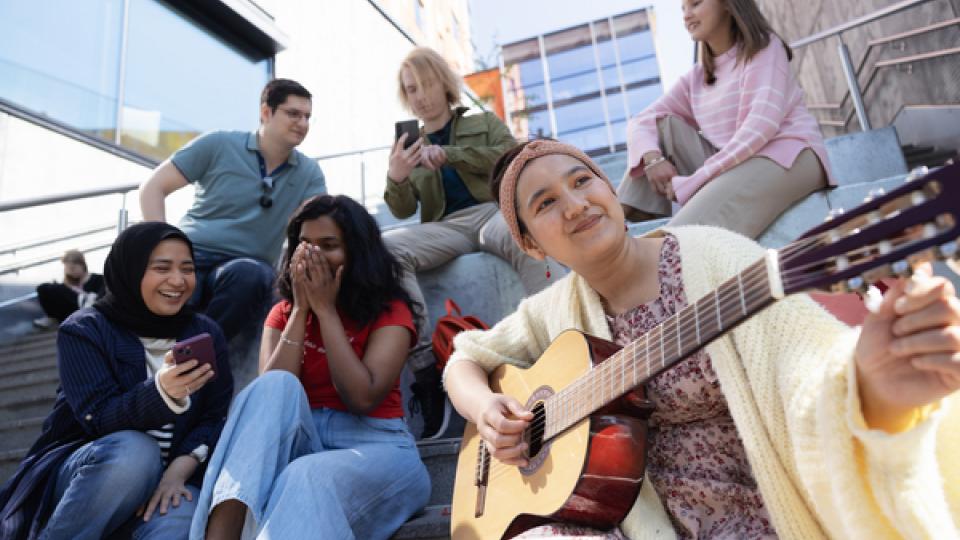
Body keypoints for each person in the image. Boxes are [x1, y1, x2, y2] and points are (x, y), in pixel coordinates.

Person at [443, 139, 960, 538]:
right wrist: (487, 409)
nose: (576, 204)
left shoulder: (713, 256)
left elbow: (809, 363)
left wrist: (867, 380)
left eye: (583, 180)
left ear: (611, 189)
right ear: (531, 246)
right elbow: (462, 361)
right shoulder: (552, 310)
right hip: (637, 523)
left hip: (756, 510)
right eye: (547, 203)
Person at [192, 195, 430, 540]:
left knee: (304, 474)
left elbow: (361, 398)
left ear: (356, 252)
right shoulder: (284, 314)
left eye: (329, 245)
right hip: (304, 441)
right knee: (273, 387)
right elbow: (269, 403)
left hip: (378, 448)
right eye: (305, 245)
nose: (313, 255)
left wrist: (326, 311)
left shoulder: (390, 311)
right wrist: (302, 311)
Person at [0, 222, 234, 540]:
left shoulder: (205, 332)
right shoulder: (85, 330)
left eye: (188, 269)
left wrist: (178, 472)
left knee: (183, 516)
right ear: (130, 269)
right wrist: (161, 392)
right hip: (89, 475)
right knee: (136, 452)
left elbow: (214, 416)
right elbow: (97, 417)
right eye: (162, 268)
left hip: (164, 483)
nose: (178, 281)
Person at [383, 46, 559, 438]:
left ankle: (556, 338)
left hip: (490, 211)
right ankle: (428, 374)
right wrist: (396, 177)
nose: (420, 96)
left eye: (426, 85)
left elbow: (510, 156)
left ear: (443, 83)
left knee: (519, 232)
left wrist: (451, 155)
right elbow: (400, 209)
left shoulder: (481, 122)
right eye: (411, 89)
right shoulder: (408, 142)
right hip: (444, 226)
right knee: (389, 250)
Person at [618, 0, 834, 239]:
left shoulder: (765, 49)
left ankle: (655, 262)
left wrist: (695, 180)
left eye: (696, 4)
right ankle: (614, 222)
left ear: (729, 5)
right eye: (683, 9)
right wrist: (652, 158)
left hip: (789, 154)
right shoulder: (697, 78)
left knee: (683, 237)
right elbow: (641, 120)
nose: (686, 16)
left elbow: (760, 128)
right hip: (734, 163)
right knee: (661, 127)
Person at [139, 78, 327, 343]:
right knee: (166, 282)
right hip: (191, 251)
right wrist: (162, 248)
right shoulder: (218, 143)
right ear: (265, 112)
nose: (303, 123)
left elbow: (320, 228)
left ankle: (193, 353)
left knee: (252, 275)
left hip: (247, 267)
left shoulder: (310, 173)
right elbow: (153, 187)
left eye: (308, 116)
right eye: (293, 114)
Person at [33, 249, 105, 329]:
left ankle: (86, 302)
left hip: (93, 310)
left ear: (82, 265)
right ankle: (53, 318)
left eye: (74, 267)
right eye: (67, 268)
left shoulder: (98, 279)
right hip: (73, 313)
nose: (71, 271)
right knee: (44, 288)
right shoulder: (64, 287)